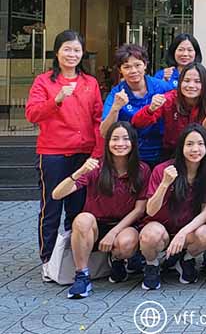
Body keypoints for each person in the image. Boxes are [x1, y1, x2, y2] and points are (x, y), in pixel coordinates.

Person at [28, 30, 104, 266]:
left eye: (77, 50)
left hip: (84, 154)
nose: (72, 54)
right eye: (67, 49)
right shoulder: (44, 81)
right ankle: (48, 259)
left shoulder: (89, 83)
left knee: (78, 208)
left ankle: (73, 259)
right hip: (53, 153)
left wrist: (97, 153)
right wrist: (57, 99)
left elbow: (98, 119)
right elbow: (32, 114)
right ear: (57, 52)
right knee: (51, 207)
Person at [52, 122, 149, 298]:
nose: (120, 144)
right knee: (82, 220)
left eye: (126, 139)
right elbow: (57, 195)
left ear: (134, 143)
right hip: (96, 225)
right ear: (107, 143)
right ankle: (82, 275)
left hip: (124, 226)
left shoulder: (142, 170)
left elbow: (139, 209)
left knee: (126, 243)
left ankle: (118, 260)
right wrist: (79, 172)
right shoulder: (96, 167)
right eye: (115, 139)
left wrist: (113, 233)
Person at [139, 124, 206, 290]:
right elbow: (150, 210)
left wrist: (183, 233)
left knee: (205, 234)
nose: (195, 149)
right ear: (181, 147)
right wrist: (165, 184)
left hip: (188, 229)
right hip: (160, 227)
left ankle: (186, 259)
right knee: (150, 235)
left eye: (200, 144)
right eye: (189, 144)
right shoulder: (163, 170)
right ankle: (152, 264)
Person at [131, 63, 206, 165]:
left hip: (203, 155)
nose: (191, 85)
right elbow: (136, 123)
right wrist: (150, 109)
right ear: (180, 82)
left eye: (197, 81)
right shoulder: (169, 99)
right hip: (173, 154)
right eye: (186, 81)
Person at [100, 44, 173, 164]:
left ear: (145, 65)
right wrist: (115, 108)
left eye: (137, 65)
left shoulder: (162, 87)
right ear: (120, 70)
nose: (133, 71)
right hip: (130, 155)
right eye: (127, 67)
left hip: (162, 152)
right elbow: (104, 132)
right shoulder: (116, 93)